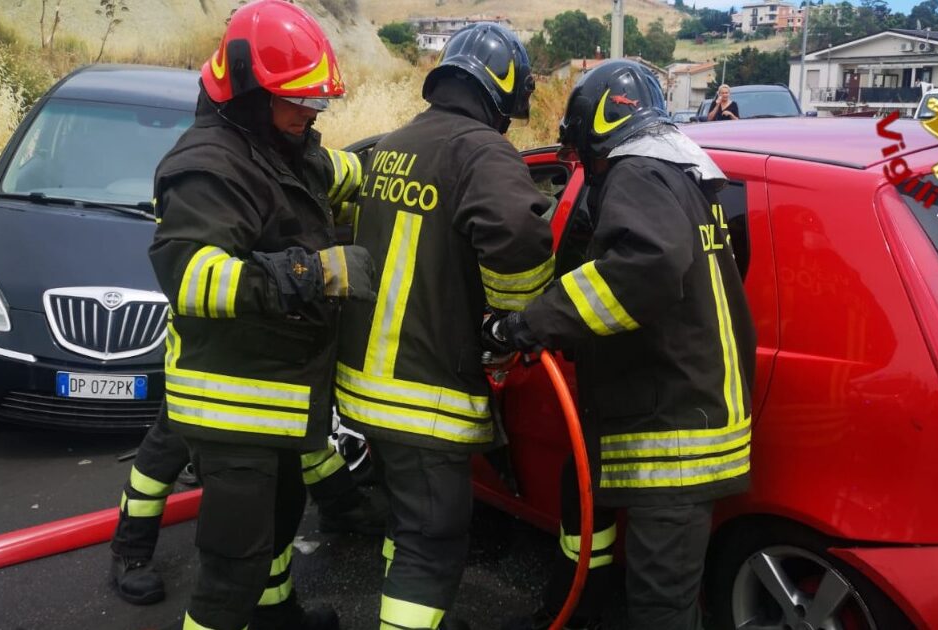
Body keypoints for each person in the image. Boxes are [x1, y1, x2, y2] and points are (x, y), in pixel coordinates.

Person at [487, 59, 757, 630]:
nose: (585, 163)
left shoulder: (638, 172)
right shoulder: (691, 175)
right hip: (681, 412)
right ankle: (579, 609)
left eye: (583, 151)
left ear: (595, 129)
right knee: (582, 501)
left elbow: (642, 271)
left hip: (675, 440)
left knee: (662, 606)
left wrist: (531, 323)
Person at [146, 1, 378, 628]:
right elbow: (187, 276)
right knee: (233, 568)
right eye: (297, 101)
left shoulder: (278, 145)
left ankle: (279, 619)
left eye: (316, 103)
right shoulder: (209, 168)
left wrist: (410, 161)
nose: (310, 113)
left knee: (276, 530)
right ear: (251, 93)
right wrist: (311, 273)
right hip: (230, 405)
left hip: (272, 397)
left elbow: (346, 174)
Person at [335, 22, 553, 630]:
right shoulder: (482, 151)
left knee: (407, 528)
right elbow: (517, 234)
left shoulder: (394, 143)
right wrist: (513, 320)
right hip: (426, 393)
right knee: (433, 543)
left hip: (368, 387)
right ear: (504, 93)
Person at [109, 412, 387, 606]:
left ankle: (340, 505)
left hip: (282, 353)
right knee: (172, 437)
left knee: (303, 428)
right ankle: (131, 549)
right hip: (206, 356)